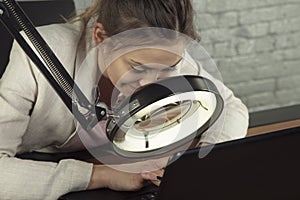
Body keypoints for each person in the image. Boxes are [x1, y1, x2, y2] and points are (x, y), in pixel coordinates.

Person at [0, 0, 249, 199]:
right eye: (137, 68)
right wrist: (98, 175)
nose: (152, 83)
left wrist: (198, 165)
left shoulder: (166, 51)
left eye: (167, 68)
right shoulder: (40, 55)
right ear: (101, 38)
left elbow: (231, 107)